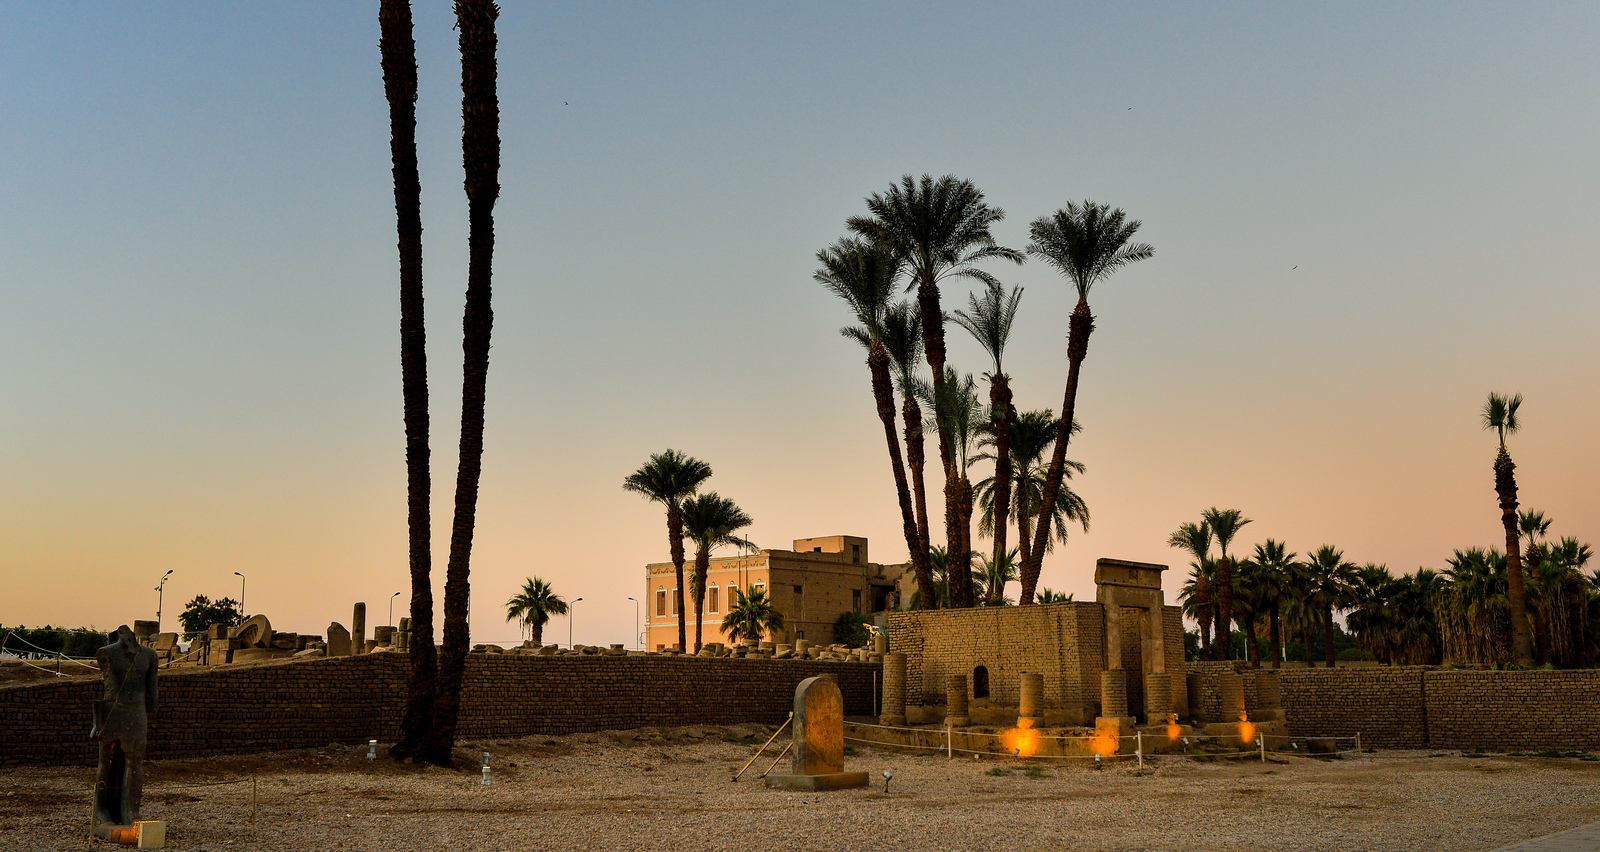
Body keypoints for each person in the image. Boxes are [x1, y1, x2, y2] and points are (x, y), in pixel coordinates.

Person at [92, 625, 158, 833]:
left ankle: (130, 811)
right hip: (116, 711)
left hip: (136, 713)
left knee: (134, 763)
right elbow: (152, 698)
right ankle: (102, 813)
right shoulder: (107, 653)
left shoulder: (149, 656)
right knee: (108, 762)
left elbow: (152, 696)